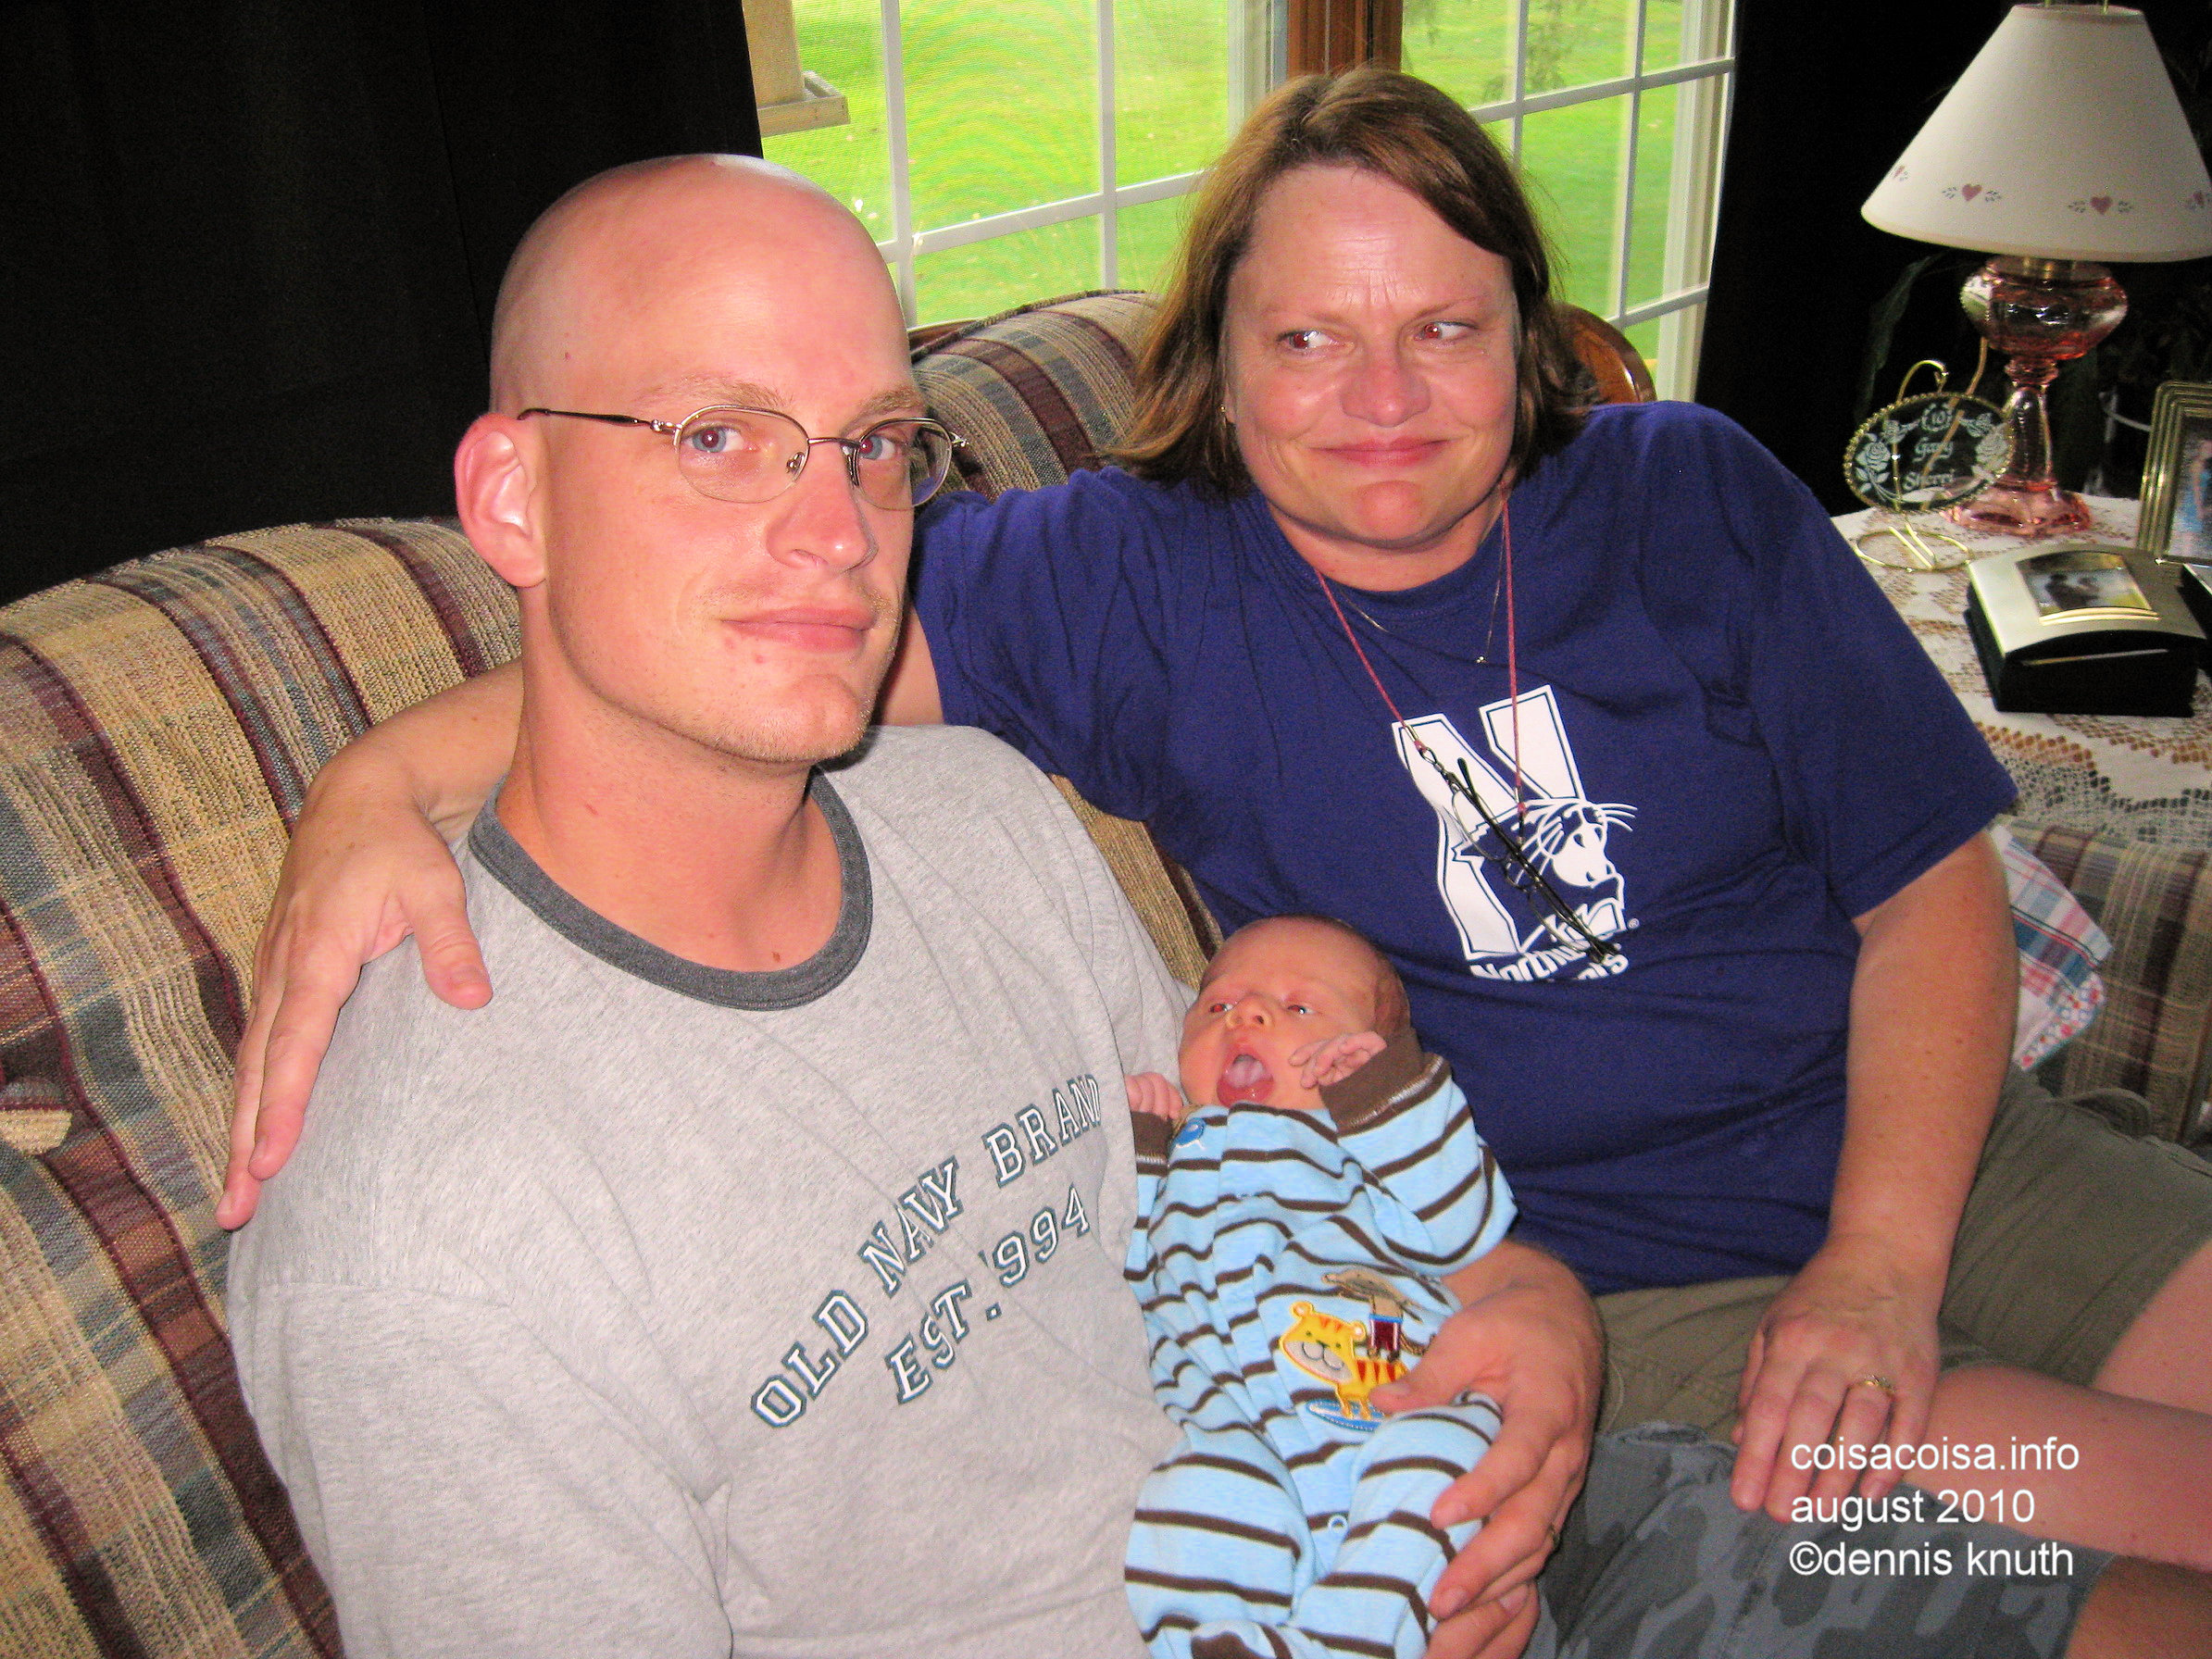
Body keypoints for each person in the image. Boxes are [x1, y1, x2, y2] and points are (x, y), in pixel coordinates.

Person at [222, 65, 2212, 1592]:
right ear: (1219, 362)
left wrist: (1881, 1248)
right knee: (2106, 1525)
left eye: (1439, 326)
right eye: (1305, 338)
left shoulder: (1688, 491)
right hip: (1594, 1279)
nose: (1377, 396)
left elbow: (1925, 883)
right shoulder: (1128, 583)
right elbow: (750, 645)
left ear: (1525, 332)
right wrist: (371, 780)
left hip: (1929, 1130)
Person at [1119, 915, 1514, 1659]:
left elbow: (1465, 1224)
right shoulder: (1180, 1160)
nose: (1248, 1013)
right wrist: (1137, 1153)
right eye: (1216, 1006)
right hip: (1233, 1425)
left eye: (1299, 1008)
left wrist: (1387, 1099)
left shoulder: (1371, 1148)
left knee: (1450, 1456)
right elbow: (1131, 1274)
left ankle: (1353, 1641)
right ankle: (1222, 1641)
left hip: (1387, 1396)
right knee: (1188, 1500)